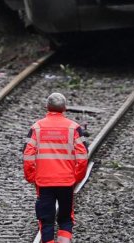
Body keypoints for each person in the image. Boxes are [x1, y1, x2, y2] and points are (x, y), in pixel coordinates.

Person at [23, 92, 88, 243]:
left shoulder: (36, 128)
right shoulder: (74, 128)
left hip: (44, 182)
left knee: (46, 220)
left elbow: (27, 155)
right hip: (66, 181)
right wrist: (77, 176)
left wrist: (31, 176)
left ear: (47, 107)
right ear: (65, 108)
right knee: (65, 219)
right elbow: (83, 157)